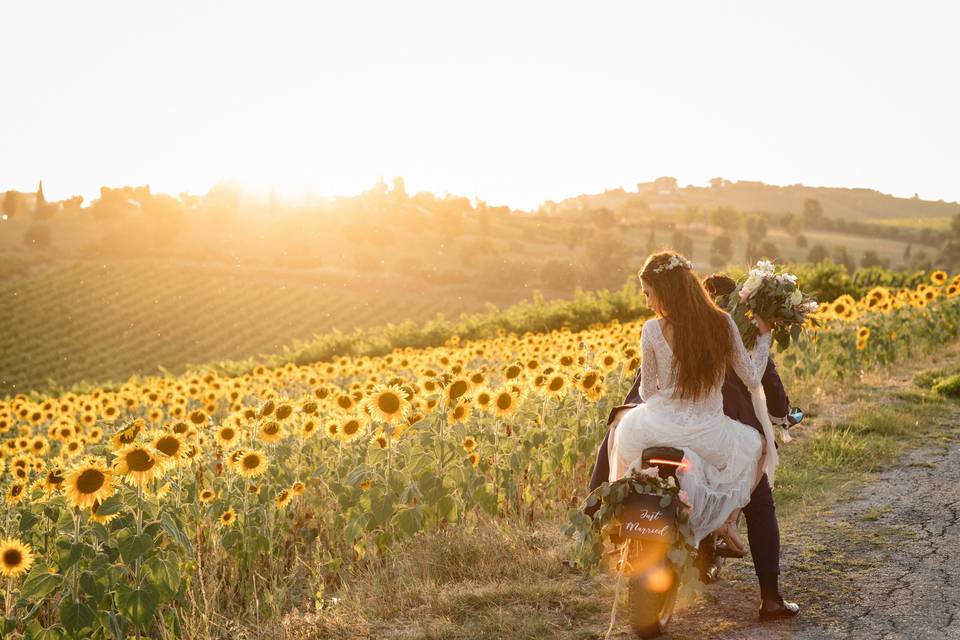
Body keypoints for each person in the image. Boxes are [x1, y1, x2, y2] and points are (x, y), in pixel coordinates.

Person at [587, 271, 800, 620]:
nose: (647, 301)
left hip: (654, 427)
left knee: (620, 438)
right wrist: (764, 340)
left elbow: (646, 393)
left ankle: (601, 519)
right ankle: (769, 597)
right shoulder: (725, 327)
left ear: (666, 291)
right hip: (712, 433)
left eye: (647, 294)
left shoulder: (654, 330)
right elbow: (756, 378)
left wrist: (668, 408)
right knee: (759, 497)